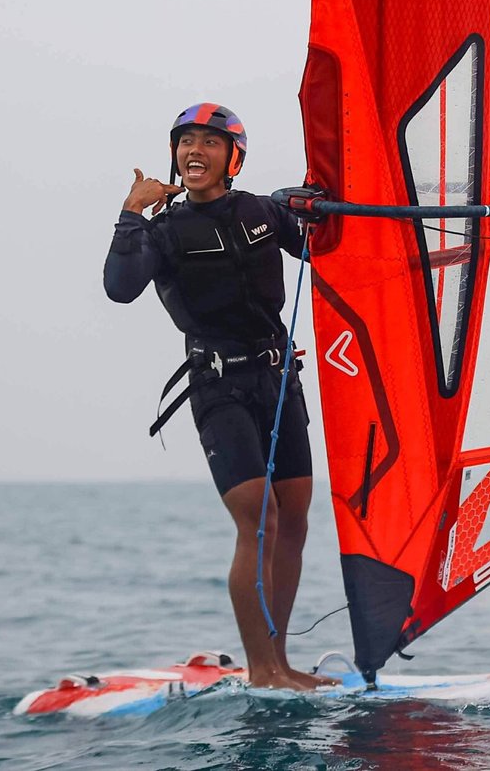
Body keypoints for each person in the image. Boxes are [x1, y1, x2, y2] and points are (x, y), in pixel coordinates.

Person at [103, 102, 327, 691]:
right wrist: (131, 212)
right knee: (260, 519)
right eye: (185, 142)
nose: (194, 151)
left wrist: (316, 206)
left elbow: (322, 248)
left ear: (234, 158)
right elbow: (120, 288)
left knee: (295, 519)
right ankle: (262, 671)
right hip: (219, 386)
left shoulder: (262, 212)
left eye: (208, 141)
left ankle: (281, 662)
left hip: (278, 379)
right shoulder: (163, 232)